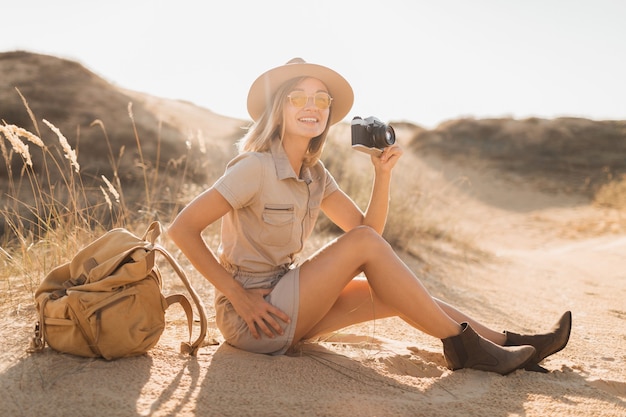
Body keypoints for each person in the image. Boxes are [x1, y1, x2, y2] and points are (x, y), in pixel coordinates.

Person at [168, 58, 571, 375]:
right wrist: (239, 298)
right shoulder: (254, 167)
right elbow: (182, 229)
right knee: (369, 253)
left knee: (398, 292)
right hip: (252, 318)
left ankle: (514, 342)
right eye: (298, 98)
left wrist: (382, 175)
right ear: (279, 108)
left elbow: (368, 235)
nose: (312, 107)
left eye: (321, 100)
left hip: (287, 300)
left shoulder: (315, 175)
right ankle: (466, 350)